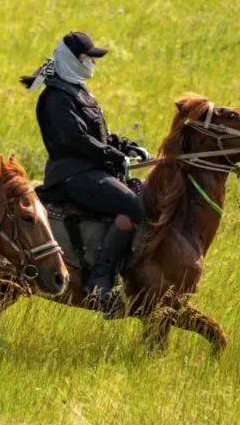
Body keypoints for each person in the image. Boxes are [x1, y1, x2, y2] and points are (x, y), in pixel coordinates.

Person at [22, 31, 152, 314]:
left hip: (90, 170)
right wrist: (113, 156)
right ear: (70, 59)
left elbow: (99, 136)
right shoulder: (55, 97)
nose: (92, 63)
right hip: (71, 176)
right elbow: (76, 140)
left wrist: (127, 147)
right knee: (131, 205)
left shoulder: (77, 90)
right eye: (87, 58)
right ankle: (100, 281)